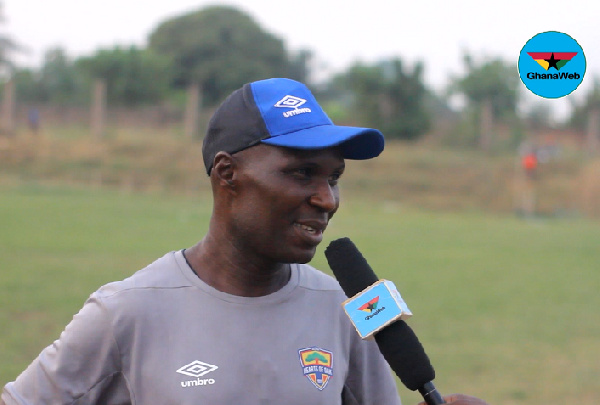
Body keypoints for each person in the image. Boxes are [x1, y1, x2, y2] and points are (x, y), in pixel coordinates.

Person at [1, 78, 489, 405]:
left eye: (334, 179)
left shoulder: (346, 310)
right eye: (301, 173)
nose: (327, 200)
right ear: (227, 174)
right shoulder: (127, 312)